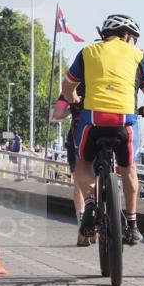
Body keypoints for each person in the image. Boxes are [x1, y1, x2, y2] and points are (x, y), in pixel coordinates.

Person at [62, 14, 144, 246]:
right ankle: (133, 224)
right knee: (128, 168)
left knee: (83, 163)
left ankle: (88, 205)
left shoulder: (88, 53)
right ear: (127, 36)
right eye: (134, 39)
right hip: (124, 122)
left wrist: (76, 100)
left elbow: (67, 88)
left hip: (92, 121)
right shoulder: (139, 57)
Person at [51, 84, 92, 246]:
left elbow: (57, 113)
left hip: (77, 136)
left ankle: (82, 224)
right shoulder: (100, 82)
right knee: (97, 177)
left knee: (79, 182)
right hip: (101, 131)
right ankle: (101, 221)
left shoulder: (72, 85)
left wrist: (73, 111)